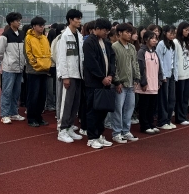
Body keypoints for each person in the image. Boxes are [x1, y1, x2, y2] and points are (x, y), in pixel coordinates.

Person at [81, 18, 115, 149]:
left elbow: (112, 60)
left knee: (103, 110)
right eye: (105, 30)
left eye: (108, 30)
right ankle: (92, 137)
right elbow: (91, 63)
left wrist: (111, 75)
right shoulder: (89, 42)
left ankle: (100, 134)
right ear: (97, 29)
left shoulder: (106, 42)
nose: (107, 33)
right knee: (93, 110)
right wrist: (102, 77)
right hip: (94, 82)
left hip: (106, 81)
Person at [55, 9, 85, 144]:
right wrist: (65, 76)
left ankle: (69, 127)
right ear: (70, 20)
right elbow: (61, 58)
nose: (79, 21)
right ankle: (62, 130)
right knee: (66, 103)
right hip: (69, 74)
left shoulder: (79, 36)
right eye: (77, 19)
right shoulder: (64, 36)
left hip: (79, 74)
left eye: (80, 18)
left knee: (75, 103)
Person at [0, 12, 26, 124]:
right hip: (9, 68)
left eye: (19, 20)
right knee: (7, 92)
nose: (19, 22)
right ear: (11, 22)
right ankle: (5, 114)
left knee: (16, 92)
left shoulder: (22, 34)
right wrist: (7, 60)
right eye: (17, 20)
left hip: (20, 68)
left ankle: (14, 113)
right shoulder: (5, 35)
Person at [111, 23, 140, 143]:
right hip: (120, 84)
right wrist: (117, 81)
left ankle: (126, 131)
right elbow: (114, 66)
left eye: (130, 32)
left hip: (131, 83)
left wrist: (137, 78)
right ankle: (116, 133)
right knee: (118, 109)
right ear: (119, 33)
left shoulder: (132, 47)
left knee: (129, 108)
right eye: (127, 32)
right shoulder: (114, 47)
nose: (129, 34)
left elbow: (135, 63)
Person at [24, 16, 51, 127]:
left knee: (42, 96)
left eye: (43, 25)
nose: (42, 27)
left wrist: (47, 64)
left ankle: (39, 117)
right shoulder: (28, 38)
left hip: (44, 70)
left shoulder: (44, 38)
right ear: (34, 26)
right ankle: (31, 118)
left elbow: (48, 52)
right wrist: (36, 64)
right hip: (33, 71)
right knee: (33, 95)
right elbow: (28, 54)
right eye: (40, 25)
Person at [136, 30, 163, 134]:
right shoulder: (141, 52)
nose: (154, 40)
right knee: (144, 106)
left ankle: (151, 124)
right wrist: (143, 82)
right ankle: (144, 125)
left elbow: (159, 68)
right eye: (152, 38)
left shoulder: (154, 52)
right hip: (146, 84)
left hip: (154, 83)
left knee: (152, 106)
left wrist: (159, 81)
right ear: (146, 39)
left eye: (156, 38)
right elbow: (140, 68)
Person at [156, 25, 177, 130]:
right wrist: (162, 75)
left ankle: (168, 119)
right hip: (165, 75)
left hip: (171, 74)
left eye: (174, 33)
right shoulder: (161, 44)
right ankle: (162, 121)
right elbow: (159, 60)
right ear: (164, 33)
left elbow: (175, 60)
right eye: (170, 33)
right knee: (164, 98)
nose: (172, 35)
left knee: (171, 99)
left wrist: (175, 74)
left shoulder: (172, 44)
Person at [172, 22, 189, 126]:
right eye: (185, 30)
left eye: (188, 30)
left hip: (188, 72)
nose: (187, 32)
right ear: (181, 30)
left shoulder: (187, 42)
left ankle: (184, 116)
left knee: (185, 97)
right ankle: (179, 117)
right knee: (179, 97)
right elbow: (175, 58)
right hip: (180, 74)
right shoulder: (176, 42)